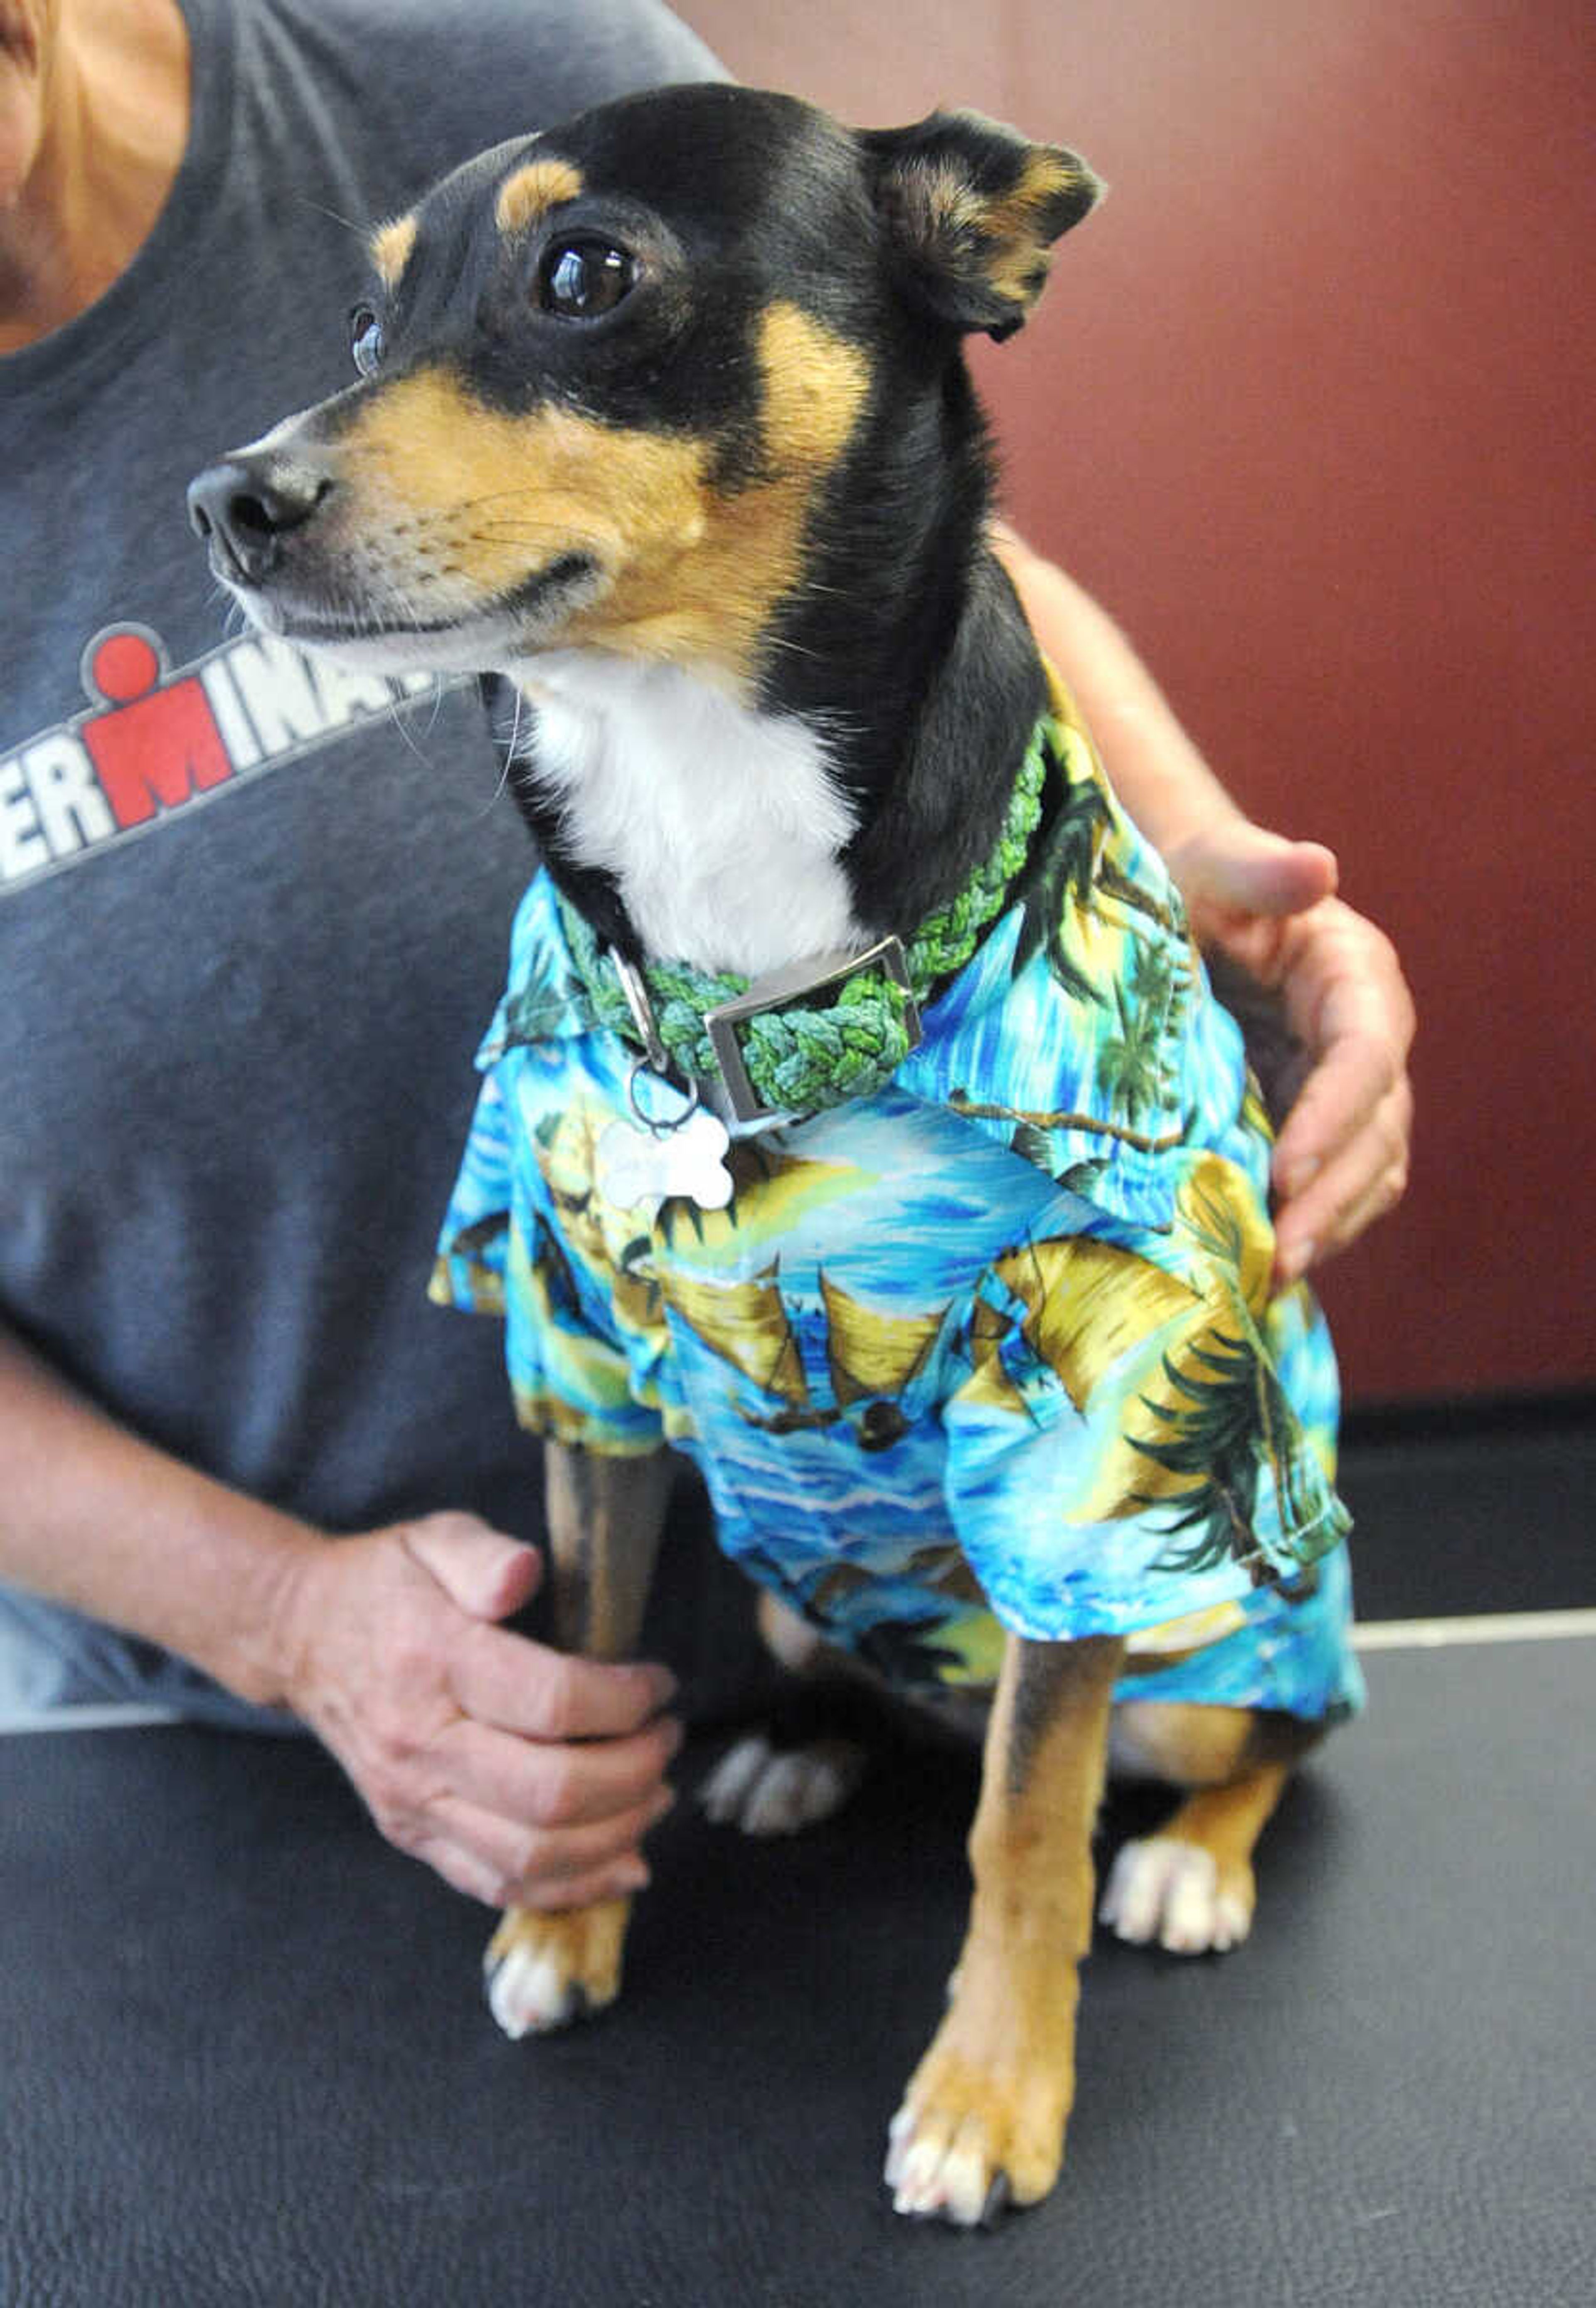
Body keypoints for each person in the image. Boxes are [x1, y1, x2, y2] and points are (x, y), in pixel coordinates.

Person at [0, 0, 1414, 1918]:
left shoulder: (521, 83)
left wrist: (1196, 870)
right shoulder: (561, 1047)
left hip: (894, 1609)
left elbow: (911, 553)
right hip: (209, 1751)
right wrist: (283, 1621)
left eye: (579, 281)